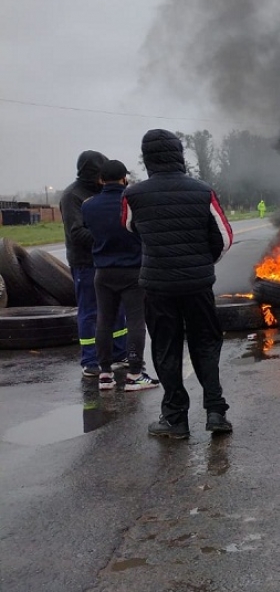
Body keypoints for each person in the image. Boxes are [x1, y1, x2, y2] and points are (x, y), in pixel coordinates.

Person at [123, 129, 234, 439]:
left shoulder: (133, 195)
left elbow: (130, 227)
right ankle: (215, 411)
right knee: (206, 344)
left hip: (158, 286)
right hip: (198, 285)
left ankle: (175, 419)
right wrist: (201, 262)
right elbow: (224, 238)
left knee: (165, 348)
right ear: (179, 154)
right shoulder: (202, 190)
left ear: (147, 158)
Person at [81, 160, 159, 391]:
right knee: (135, 320)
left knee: (104, 320)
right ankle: (135, 373)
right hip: (132, 269)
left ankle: (105, 373)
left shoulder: (88, 206)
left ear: (100, 180)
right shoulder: (132, 202)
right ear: (125, 178)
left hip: (103, 271)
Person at [60, 150, 127, 379]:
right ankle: (90, 360)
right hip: (85, 262)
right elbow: (76, 232)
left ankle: (120, 353)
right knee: (90, 311)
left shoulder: (103, 192)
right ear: (92, 174)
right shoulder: (72, 196)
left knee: (117, 309)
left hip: (107, 261)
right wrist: (107, 239)